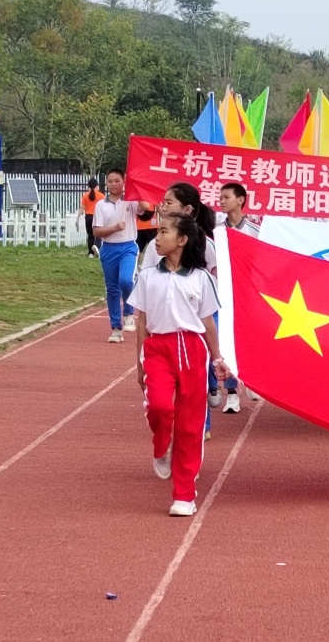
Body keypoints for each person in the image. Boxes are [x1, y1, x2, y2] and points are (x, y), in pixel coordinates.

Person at [128, 213, 229, 517]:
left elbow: (208, 322)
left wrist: (217, 357)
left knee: (190, 424)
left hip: (192, 351)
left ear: (182, 240)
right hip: (158, 348)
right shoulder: (148, 277)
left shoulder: (201, 278)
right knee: (160, 407)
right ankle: (161, 446)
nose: (157, 238)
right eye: (157, 232)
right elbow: (143, 321)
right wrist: (139, 364)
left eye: (163, 232)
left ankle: (183, 495)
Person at [92, 169, 153, 342]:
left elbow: (145, 207)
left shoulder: (130, 201)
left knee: (126, 280)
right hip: (108, 249)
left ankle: (128, 312)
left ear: (123, 182)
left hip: (128, 248)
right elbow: (97, 230)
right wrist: (114, 228)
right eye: (110, 181)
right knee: (112, 289)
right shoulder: (101, 205)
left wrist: (136, 186)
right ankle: (116, 329)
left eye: (117, 180)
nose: (113, 184)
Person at [218, 182, 261, 413]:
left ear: (241, 200)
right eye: (220, 197)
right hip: (225, 294)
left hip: (249, 295)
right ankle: (232, 393)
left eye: (226, 197)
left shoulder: (255, 231)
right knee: (227, 341)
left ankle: (251, 379)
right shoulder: (217, 232)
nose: (222, 201)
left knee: (249, 339)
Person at [78, 178, 104, 258]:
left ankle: (90, 253)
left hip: (88, 217)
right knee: (99, 235)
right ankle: (96, 246)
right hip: (97, 216)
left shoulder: (85, 195)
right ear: (97, 185)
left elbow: (82, 207)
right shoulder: (101, 196)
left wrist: (78, 217)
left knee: (90, 235)